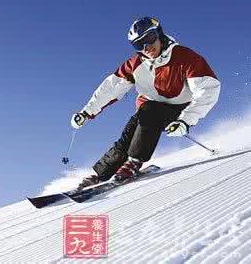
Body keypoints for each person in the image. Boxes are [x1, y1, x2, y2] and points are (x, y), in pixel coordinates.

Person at [71, 17, 221, 189]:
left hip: (178, 108)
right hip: (148, 108)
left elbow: (208, 90)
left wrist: (185, 121)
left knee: (151, 111)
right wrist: (86, 112)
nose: (146, 48)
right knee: (131, 130)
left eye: (149, 39)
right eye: (138, 45)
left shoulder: (185, 57)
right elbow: (110, 88)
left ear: (159, 34)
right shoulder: (135, 64)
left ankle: (134, 162)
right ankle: (102, 173)